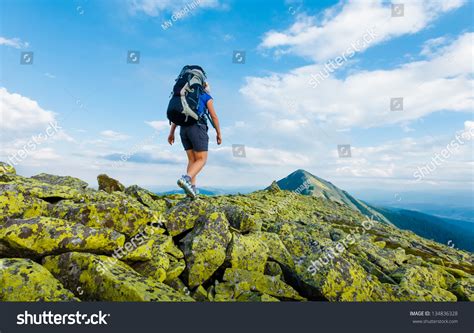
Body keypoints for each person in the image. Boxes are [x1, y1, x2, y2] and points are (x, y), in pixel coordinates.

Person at [167, 82, 222, 198]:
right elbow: (214, 116)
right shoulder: (205, 96)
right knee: (202, 159)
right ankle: (186, 179)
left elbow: (177, 117)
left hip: (183, 130)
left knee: (192, 159)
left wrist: (171, 133)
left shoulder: (185, 96)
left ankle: (191, 188)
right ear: (203, 85)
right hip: (197, 128)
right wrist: (218, 133)